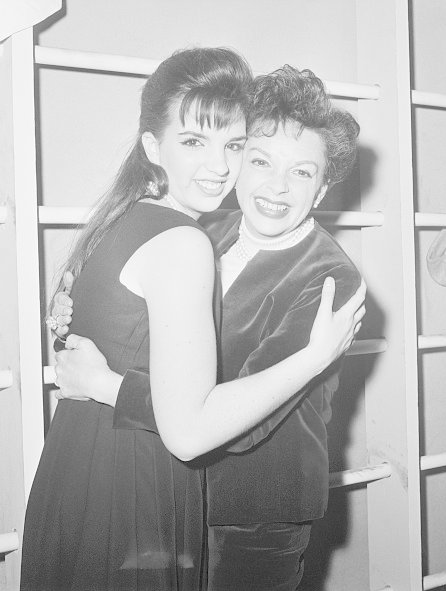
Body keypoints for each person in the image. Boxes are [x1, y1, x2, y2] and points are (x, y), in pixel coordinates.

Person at [23, 49, 365, 591]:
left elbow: (239, 420)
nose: (277, 188)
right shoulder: (209, 230)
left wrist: (107, 384)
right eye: (258, 160)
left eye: (301, 172)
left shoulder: (330, 280)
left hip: (252, 514)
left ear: (322, 190)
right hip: (175, 495)